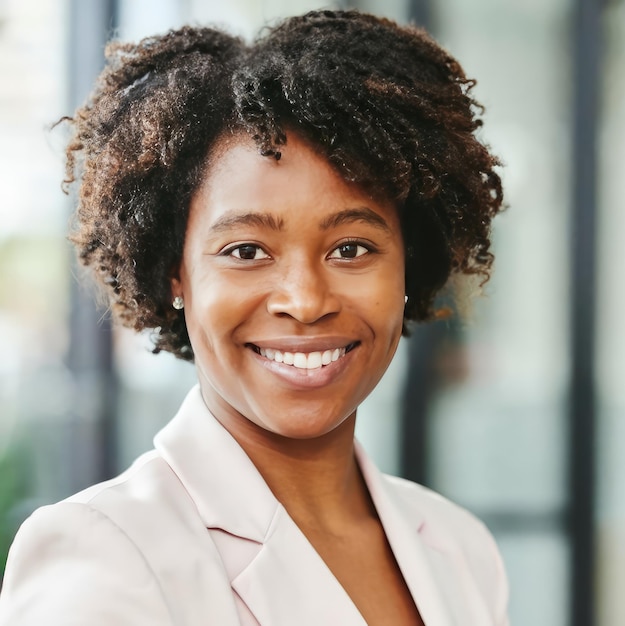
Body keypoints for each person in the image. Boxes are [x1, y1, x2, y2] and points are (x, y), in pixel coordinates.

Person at [0, 9, 508, 626]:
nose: (305, 299)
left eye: (351, 248)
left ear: (410, 264)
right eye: (246, 251)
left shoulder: (460, 548)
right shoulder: (106, 556)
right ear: (175, 274)